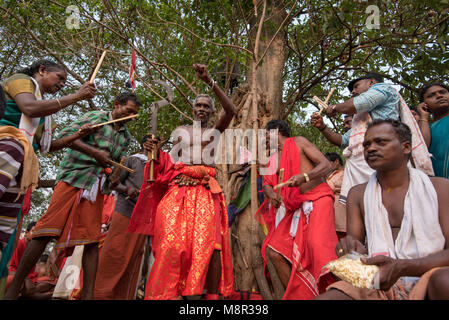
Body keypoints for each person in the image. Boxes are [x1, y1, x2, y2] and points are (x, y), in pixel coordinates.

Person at [5, 92, 140, 300]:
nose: (131, 116)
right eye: (128, 111)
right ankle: (13, 292)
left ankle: (88, 296)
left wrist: (114, 176)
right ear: (116, 105)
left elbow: (112, 163)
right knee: (45, 232)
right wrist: (95, 153)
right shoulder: (97, 117)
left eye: (134, 114)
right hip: (73, 178)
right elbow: (65, 137)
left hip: (96, 187)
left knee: (91, 241)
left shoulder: (125, 137)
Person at [129, 63, 235, 300]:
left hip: (205, 192)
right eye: (198, 105)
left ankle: (197, 297)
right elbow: (167, 163)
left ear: (211, 111)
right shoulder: (180, 133)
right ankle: (166, 294)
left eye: (206, 106)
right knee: (170, 245)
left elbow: (231, 111)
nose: (201, 108)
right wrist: (153, 151)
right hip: (178, 192)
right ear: (192, 108)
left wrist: (210, 81)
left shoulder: (215, 132)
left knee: (206, 247)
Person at [316, 119, 449, 300]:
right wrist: (347, 249)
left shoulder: (440, 188)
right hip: (380, 280)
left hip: (429, 274)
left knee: (445, 281)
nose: (370, 148)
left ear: (406, 147)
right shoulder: (358, 194)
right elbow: (354, 249)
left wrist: (402, 267)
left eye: (381, 142)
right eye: (367, 144)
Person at [0, 59, 96, 252]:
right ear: (42, 70)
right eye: (59, 78)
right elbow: (29, 108)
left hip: (21, 165)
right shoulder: (22, 81)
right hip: (6, 146)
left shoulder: (45, 112)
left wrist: (78, 135)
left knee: (3, 224)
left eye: (63, 82)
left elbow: (47, 146)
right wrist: (76, 97)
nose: (61, 85)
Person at [320, 73, 432, 205]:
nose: (354, 92)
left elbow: (359, 103)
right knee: (366, 209)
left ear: (372, 82)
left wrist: (334, 107)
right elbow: (343, 141)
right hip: (361, 170)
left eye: (356, 86)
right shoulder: (360, 122)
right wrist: (322, 127)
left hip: (385, 161)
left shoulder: (383, 89)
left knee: (394, 205)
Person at [256, 119, 337, 300]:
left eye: (266, 134)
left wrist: (305, 176)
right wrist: (272, 195)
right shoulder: (272, 159)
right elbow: (268, 185)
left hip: (318, 200)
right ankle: (302, 296)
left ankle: (337, 293)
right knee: (274, 251)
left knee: (318, 249)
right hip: (296, 208)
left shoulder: (299, 142)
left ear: (276, 130)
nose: (265, 139)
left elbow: (326, 165)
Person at [94, 135, 154, 300]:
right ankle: (100, 294)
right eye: (149, 141)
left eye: (156, 142)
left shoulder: (158, 165)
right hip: (125, 210)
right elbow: (113, 182)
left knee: (135, 257)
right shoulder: (132, 160)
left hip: (144, 218)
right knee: (115, 252)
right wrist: (127, 190)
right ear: (143, 143)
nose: (152, 144)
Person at [416, 83, 449, 179]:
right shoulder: (427, 128)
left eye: (443, 92)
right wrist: (423, 116)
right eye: (431, 95)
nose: (439, 96)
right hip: (439, 185)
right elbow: (421, 151)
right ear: (424, 104)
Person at [6, 222, 38, 292]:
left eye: (38, 233)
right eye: (33, 231)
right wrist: (25, 279)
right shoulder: (19, 244)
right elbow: (9, 268)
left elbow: (32, 272)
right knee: (12, 281)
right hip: (14, 275)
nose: (36, 235)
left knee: (48, 281)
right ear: (26, 233)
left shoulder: (34, 250)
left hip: (27, 278)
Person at [324, 152, 346, 239]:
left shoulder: (344, 173)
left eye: (327, 162)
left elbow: (329, 187)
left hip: (341, 211)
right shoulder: (332, 174)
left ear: (336, 162)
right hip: (333, 212)